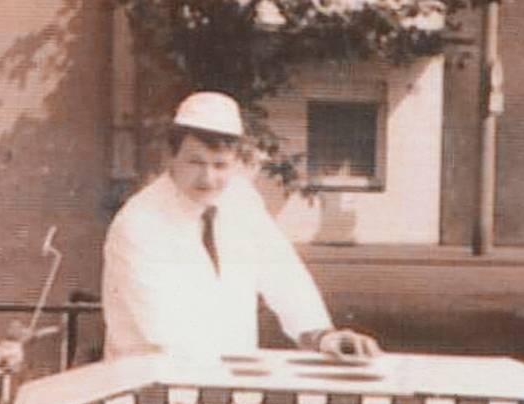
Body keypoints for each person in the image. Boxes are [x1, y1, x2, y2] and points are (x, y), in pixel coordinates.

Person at [102, 91, 380, 362]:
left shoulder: (241, 200)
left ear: (235, 162)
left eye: (220, 165)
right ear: (171, 158)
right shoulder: (139, 223)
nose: (208, 178)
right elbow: (167, 334)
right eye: (195, 162)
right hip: (150, 388)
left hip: (226, 387)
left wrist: (322, 336)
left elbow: (283, 274)